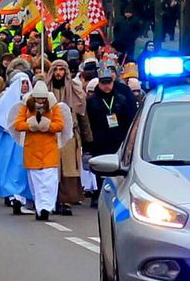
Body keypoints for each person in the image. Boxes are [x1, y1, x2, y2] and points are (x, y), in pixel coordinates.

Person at [13, 81, 65, 221]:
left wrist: (48, 126)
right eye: (38, 98)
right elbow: (17, 124)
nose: (41, 101)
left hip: (49, 150)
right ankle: (39, 207)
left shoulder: (54, 108)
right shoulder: (26, 107)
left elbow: (60, 125)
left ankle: (46, 208)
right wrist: (30, 125)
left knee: (49, 182)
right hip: (32, 151)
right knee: (36, 183)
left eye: (43, 98)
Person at [45, 59, 91, 216]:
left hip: (70, 135)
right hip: (50, 134)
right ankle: (51, 200)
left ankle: (66, 201)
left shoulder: (75, 90)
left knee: (69, 167)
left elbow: (82, 115)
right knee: (51, 168)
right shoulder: (45, 90)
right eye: (56, 70)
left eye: (61, 70)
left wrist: (87, 138)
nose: (59, 73)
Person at [85, 66, 136, 206]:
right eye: (103, 83)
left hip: (118, 139)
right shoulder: (92, 101)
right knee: (100, 169)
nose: (106, 86)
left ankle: (117, 194)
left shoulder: (121, 99)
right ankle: (98, 194)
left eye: (109, 82)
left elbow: (128, 119)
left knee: (117, 169)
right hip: (99, 140)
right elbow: (88, 123)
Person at [0, 73, 34, 214]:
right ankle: (14, 197)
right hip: (10, 140)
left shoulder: (32, 100)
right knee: (12, 168)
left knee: (24, 169)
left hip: (26, 139)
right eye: (22, 83)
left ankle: (24, 199)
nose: (25, 86)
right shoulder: (7, 98)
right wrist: (10, 127)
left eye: (27, 83)